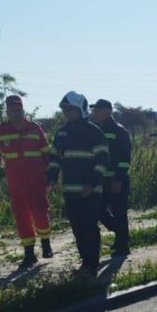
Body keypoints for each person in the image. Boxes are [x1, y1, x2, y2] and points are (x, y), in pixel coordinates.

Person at [0, 95, 53, 267]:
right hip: (16, 182)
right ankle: (29, 253)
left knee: (41, 211)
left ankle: (46, 243)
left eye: (19, 108)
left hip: (37, 179)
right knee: (22, 215)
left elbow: (46, 154)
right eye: (13, 109)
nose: (16, 112)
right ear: (7, 111)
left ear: (23, 109)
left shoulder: (35, 128)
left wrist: (51, 176)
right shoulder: (1, 131)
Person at [47, 91, 109, 276]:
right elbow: (54, 159)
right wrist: (51, 178)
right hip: (70, 191)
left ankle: (92, 263)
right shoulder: (61, 133)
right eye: (65, 109)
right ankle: (85, 261)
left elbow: (103, 161)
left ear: (81, 109)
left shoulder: (93, 132)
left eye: (71, 109)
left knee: (89, 226)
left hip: (91, 190)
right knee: (77, 227)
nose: (67, 113)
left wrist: (91, 183)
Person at [90, 99, 132, 257]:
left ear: (107, 112)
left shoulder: (118, 130)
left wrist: (118, 179)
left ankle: (122, 246)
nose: (94, 113)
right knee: (99, 210)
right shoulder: (95, 129)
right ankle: (121, 232)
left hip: (116, 180)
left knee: (119, 212)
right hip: (101, 180)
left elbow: (124, 158)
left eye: (97, 110)